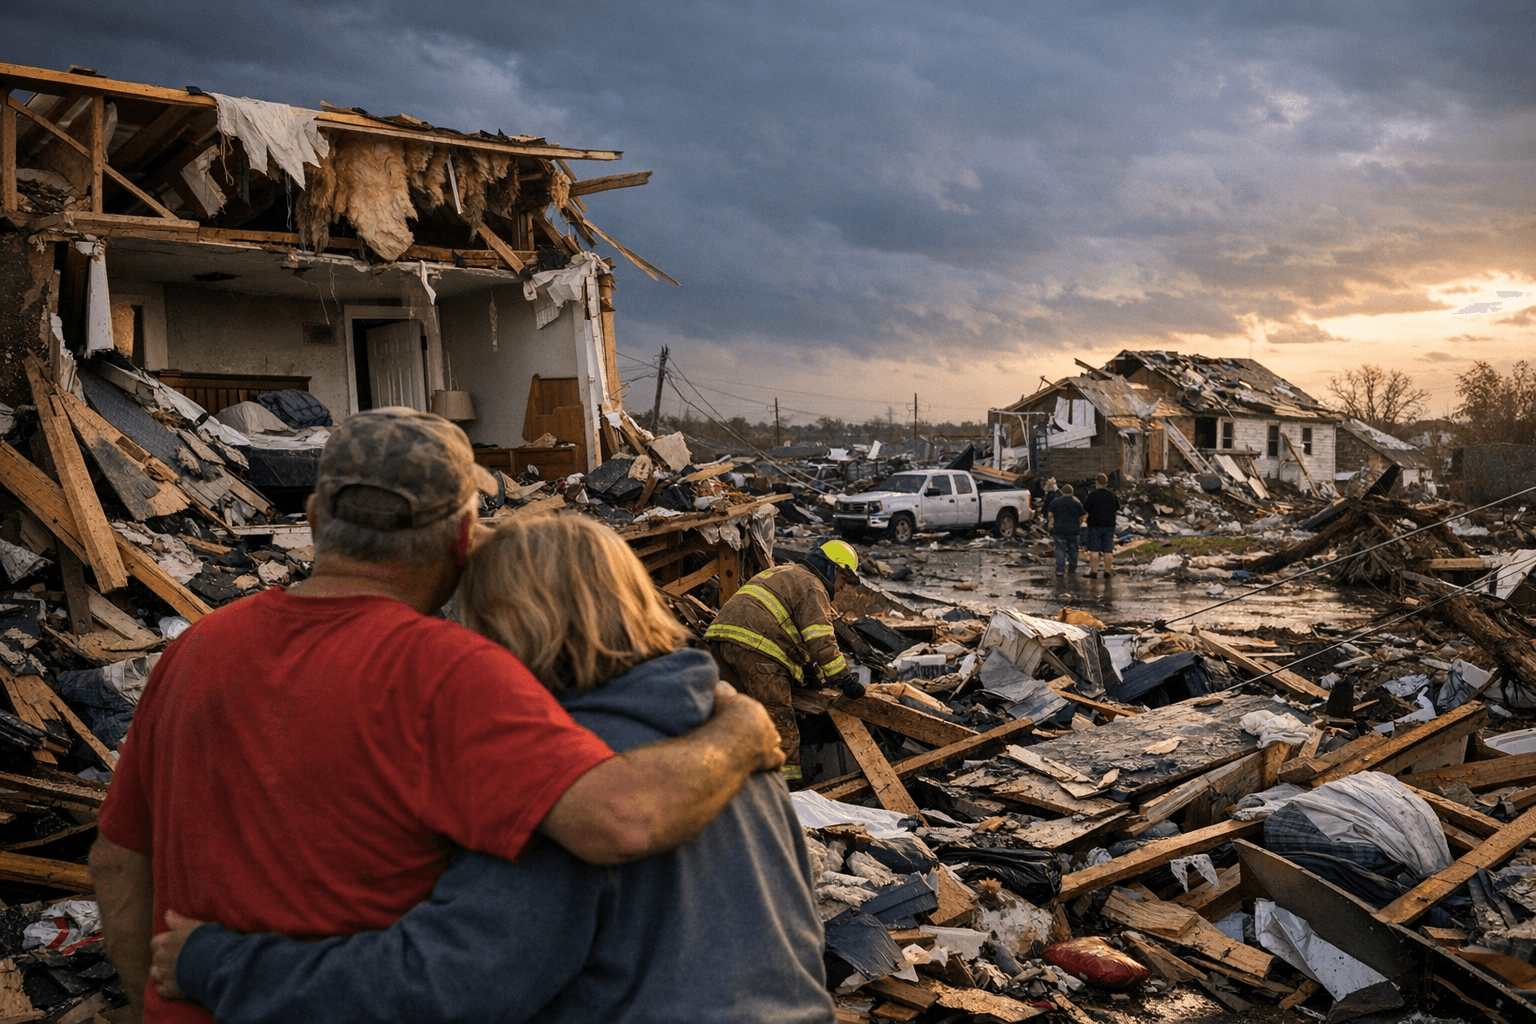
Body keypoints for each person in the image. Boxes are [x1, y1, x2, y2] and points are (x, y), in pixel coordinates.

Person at [90, 408, 783, 1024]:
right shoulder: (447, 671)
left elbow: (119, 862)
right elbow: (621, 818)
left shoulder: (196, 650)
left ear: (310, 520)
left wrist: (158, 996)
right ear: (460, 538)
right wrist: (740, 731)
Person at [705, 539, 865, 785]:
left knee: (732, 718)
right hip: (758, 653)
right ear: (833, 569)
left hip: (720, 643)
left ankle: (722, 782)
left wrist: (813, 674)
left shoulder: (782, 572)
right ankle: (789, 795)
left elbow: (792, 637)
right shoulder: (813, 586)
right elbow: (820, 639)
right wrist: (843, 679)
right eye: (843, 580)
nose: (841, 588)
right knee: (781, 727)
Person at [1081, 473, 1120, 577]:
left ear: (1096, 482)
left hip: (1095, 525)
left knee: (1094, 549)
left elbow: (1086, 508)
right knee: (1108, 549)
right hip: (1109, 525)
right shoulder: (1112, 495)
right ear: (1106, 483)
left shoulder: (1092, 495)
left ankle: (1094, 572)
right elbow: (1117, 508)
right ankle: (1107, 571)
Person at [1047, 483, 1086, 577]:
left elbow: (1049, 515)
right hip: (1074, 530)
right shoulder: (1077, 503)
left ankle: (1060, 570)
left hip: (1059, 530)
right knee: (1073, 550)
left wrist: (1052, 521)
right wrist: (1079, 523)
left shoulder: (1056, 502)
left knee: (1060, 550)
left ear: (1062, 492)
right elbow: (1084, 516)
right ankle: (1072, 569)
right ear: (1072, 492)